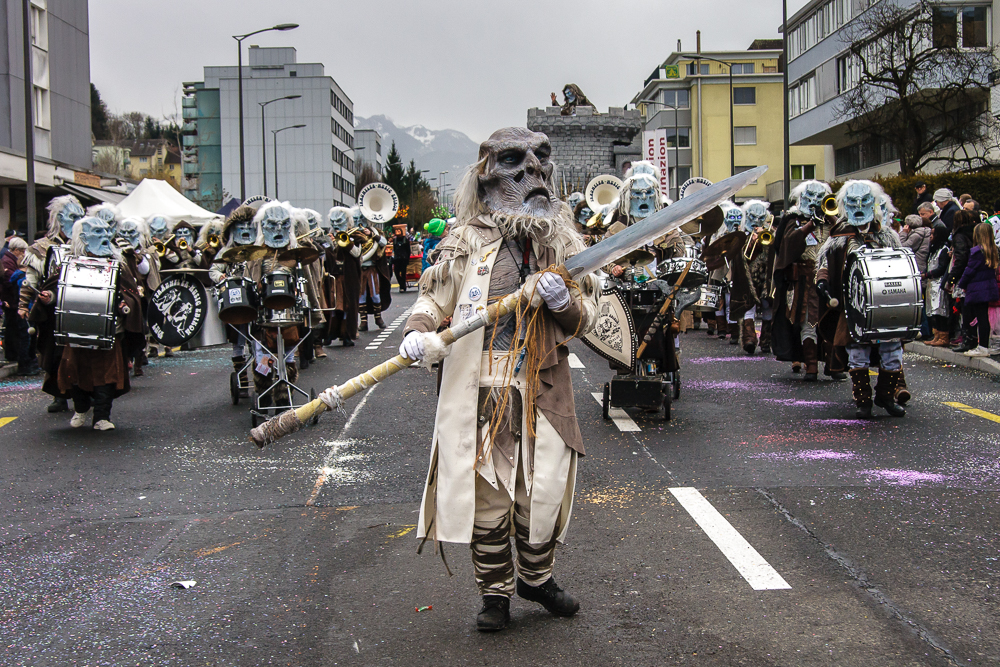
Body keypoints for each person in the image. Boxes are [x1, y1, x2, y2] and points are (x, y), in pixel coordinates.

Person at [394, 127, 598, 632]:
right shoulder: (465, 240)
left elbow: (589, 315)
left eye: (540, 159)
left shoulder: (561, 243)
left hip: (543, 387)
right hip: (480, 389)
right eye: (514, 161)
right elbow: (434, 296)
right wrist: (418, 330)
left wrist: (564, 302)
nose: (533, 173)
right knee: (487, 500)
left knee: (541, 492)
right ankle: (495, 595)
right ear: (486, 177)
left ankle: (537, 578)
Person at [816, 180, 906, 419]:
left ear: (873, 204)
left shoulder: (887, 235)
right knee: (857, 352)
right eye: (852, 202)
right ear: (845, 205)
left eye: (864, 202)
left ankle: (886, 397)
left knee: (892, 350)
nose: (858, 207)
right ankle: (863, 401)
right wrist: (822, 280)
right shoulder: (839, 236)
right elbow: (825, 263)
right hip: (852, 304)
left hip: (884, 304)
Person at [58, 217, 143, 430]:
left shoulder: (118, 265)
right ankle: (80, 409)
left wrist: (124, 304)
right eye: (98, 232)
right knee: (75, 372)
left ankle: (102, 417)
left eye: (106, 232)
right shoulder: (69, 263)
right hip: (76, 329)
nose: (105, 237)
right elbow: (56, 289)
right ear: (84, 238)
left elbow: (131, 292)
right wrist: (49, 297)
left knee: (107, 375)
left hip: (109, 331)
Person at [772, 179, 843, 381]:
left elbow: (845, 240)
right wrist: (810, 224)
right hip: (805, 279)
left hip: (830, 277)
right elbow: (787, 245)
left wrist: (832, 218)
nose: (816, 202)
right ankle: (811, 365)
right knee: (808, 322)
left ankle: (833, 364)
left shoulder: (833, 221)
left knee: (832, 320)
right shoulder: (794, 220)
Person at [19, 195, 84, 412]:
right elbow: (30, 280)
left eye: (80, 217)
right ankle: (59, 395)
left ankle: (85, 393)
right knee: (54, 353)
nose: (76, 221)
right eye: (72, 217)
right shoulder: (41, 248)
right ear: (59, 218)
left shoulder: (86, 243)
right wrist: (23, 304)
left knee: (82, 352)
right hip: (52, 310)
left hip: (79, 307)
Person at [955, 223, 999, 356]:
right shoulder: (994, 250)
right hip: (988, 287)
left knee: (979, 317)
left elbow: (969, 271)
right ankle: (984, 345)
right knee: (984, 317)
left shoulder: (976, 252)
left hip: (977, 288)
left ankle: (982, 346)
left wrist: (961, 284)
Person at [323, 207, 361, 347]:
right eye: (333, 222)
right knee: (334, 305)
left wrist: (346, 241)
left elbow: (357, 254)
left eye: (339, 221)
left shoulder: (355, 235)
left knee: (348, 305)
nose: (336, 225)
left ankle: (347, 334)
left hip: (349, 277)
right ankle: (330, 333)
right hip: (334, 276)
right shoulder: (328, 237)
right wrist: (331, 243)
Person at [2, 237, 37, 375]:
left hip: (18, 306)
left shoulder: (16, 274)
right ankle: (25, 364)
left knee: (23, 336)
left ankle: (26, 362)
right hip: (21, 308)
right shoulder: (21, 278)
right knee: (25, 337)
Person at [944, 210, 977, 350]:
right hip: (973, 274)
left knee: (965, 309)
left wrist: (951, 278)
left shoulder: (959, 236)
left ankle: (967, 340)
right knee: (972, 311)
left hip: (963, 275)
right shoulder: (974, 233)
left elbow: (961, 258)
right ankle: (972, 338)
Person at [923, 224, 953, 346]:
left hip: (939, 283)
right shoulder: (933, 249)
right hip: (931, 283)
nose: (930, 236)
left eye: (933, 234)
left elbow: (942, 268)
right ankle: (936, 335)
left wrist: (927, 274)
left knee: (940, 311)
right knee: (932, 311)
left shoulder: (944, 250)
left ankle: (944, 336)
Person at [392, 225, 412, 292]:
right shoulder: (395, 240)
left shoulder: (405, 239)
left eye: (399, 231)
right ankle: (402, 284)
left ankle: (402, 287)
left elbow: (408, 250)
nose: (397, 232)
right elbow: (394, 249)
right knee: (396, 272)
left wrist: (407, 258)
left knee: (403, 273)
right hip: (397, 259)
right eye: (396, 231)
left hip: (404, 259)